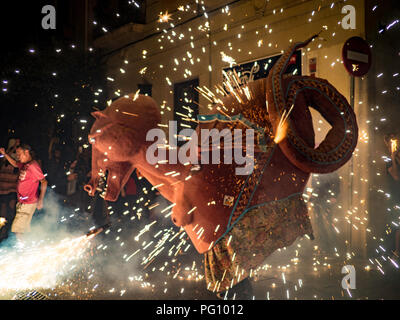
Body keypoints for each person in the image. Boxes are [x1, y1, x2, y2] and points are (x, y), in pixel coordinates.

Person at [0, 143, 47, 244]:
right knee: (23, 229)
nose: (17, 156)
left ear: (26, 152)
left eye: (19, 154)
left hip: (28, 203)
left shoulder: (33, 166)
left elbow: (44, 181)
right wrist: (5, 154)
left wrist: (41, 200)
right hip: (22, 202)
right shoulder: (24, 164)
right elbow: (15, 163)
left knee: (17, 230)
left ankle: (23, 250)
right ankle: (28, 246)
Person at [384, 133, 400, 256]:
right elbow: (395, 176)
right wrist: (393, 157)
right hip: (396, 196)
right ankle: (397, 252)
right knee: (397, 225)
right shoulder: (390, 161)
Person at [0, 139, 19, 241]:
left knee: (12, 209)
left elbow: (17, 164)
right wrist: (12, 148)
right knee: (3, 211)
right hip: (3, 187)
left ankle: (10, 230)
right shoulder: (4, 155)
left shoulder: (17, 156)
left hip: (12, 187)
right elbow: (3, 159)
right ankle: (2, 232)